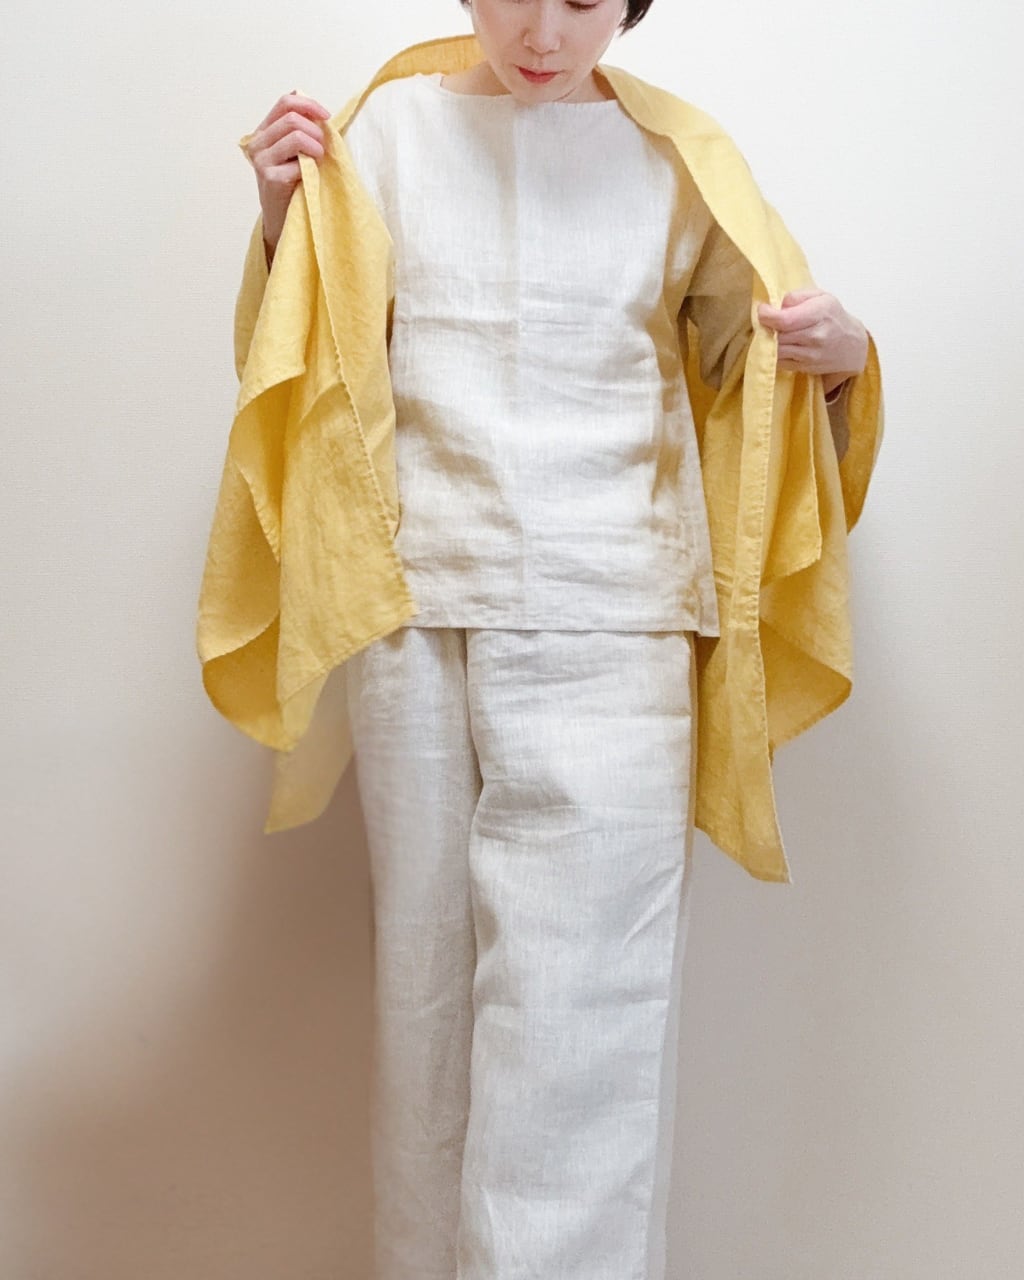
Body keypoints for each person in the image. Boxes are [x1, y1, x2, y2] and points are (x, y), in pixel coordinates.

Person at [199, 2, 883, 1277]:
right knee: (425, 1002)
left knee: (582, 1015)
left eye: (584, 2)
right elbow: (330, 346)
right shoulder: (387, 133)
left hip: (614, 609)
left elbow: (748, 376)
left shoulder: (678, 160)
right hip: (413, 610)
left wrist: (839, 363)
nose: (545, 32)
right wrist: (285, 217)